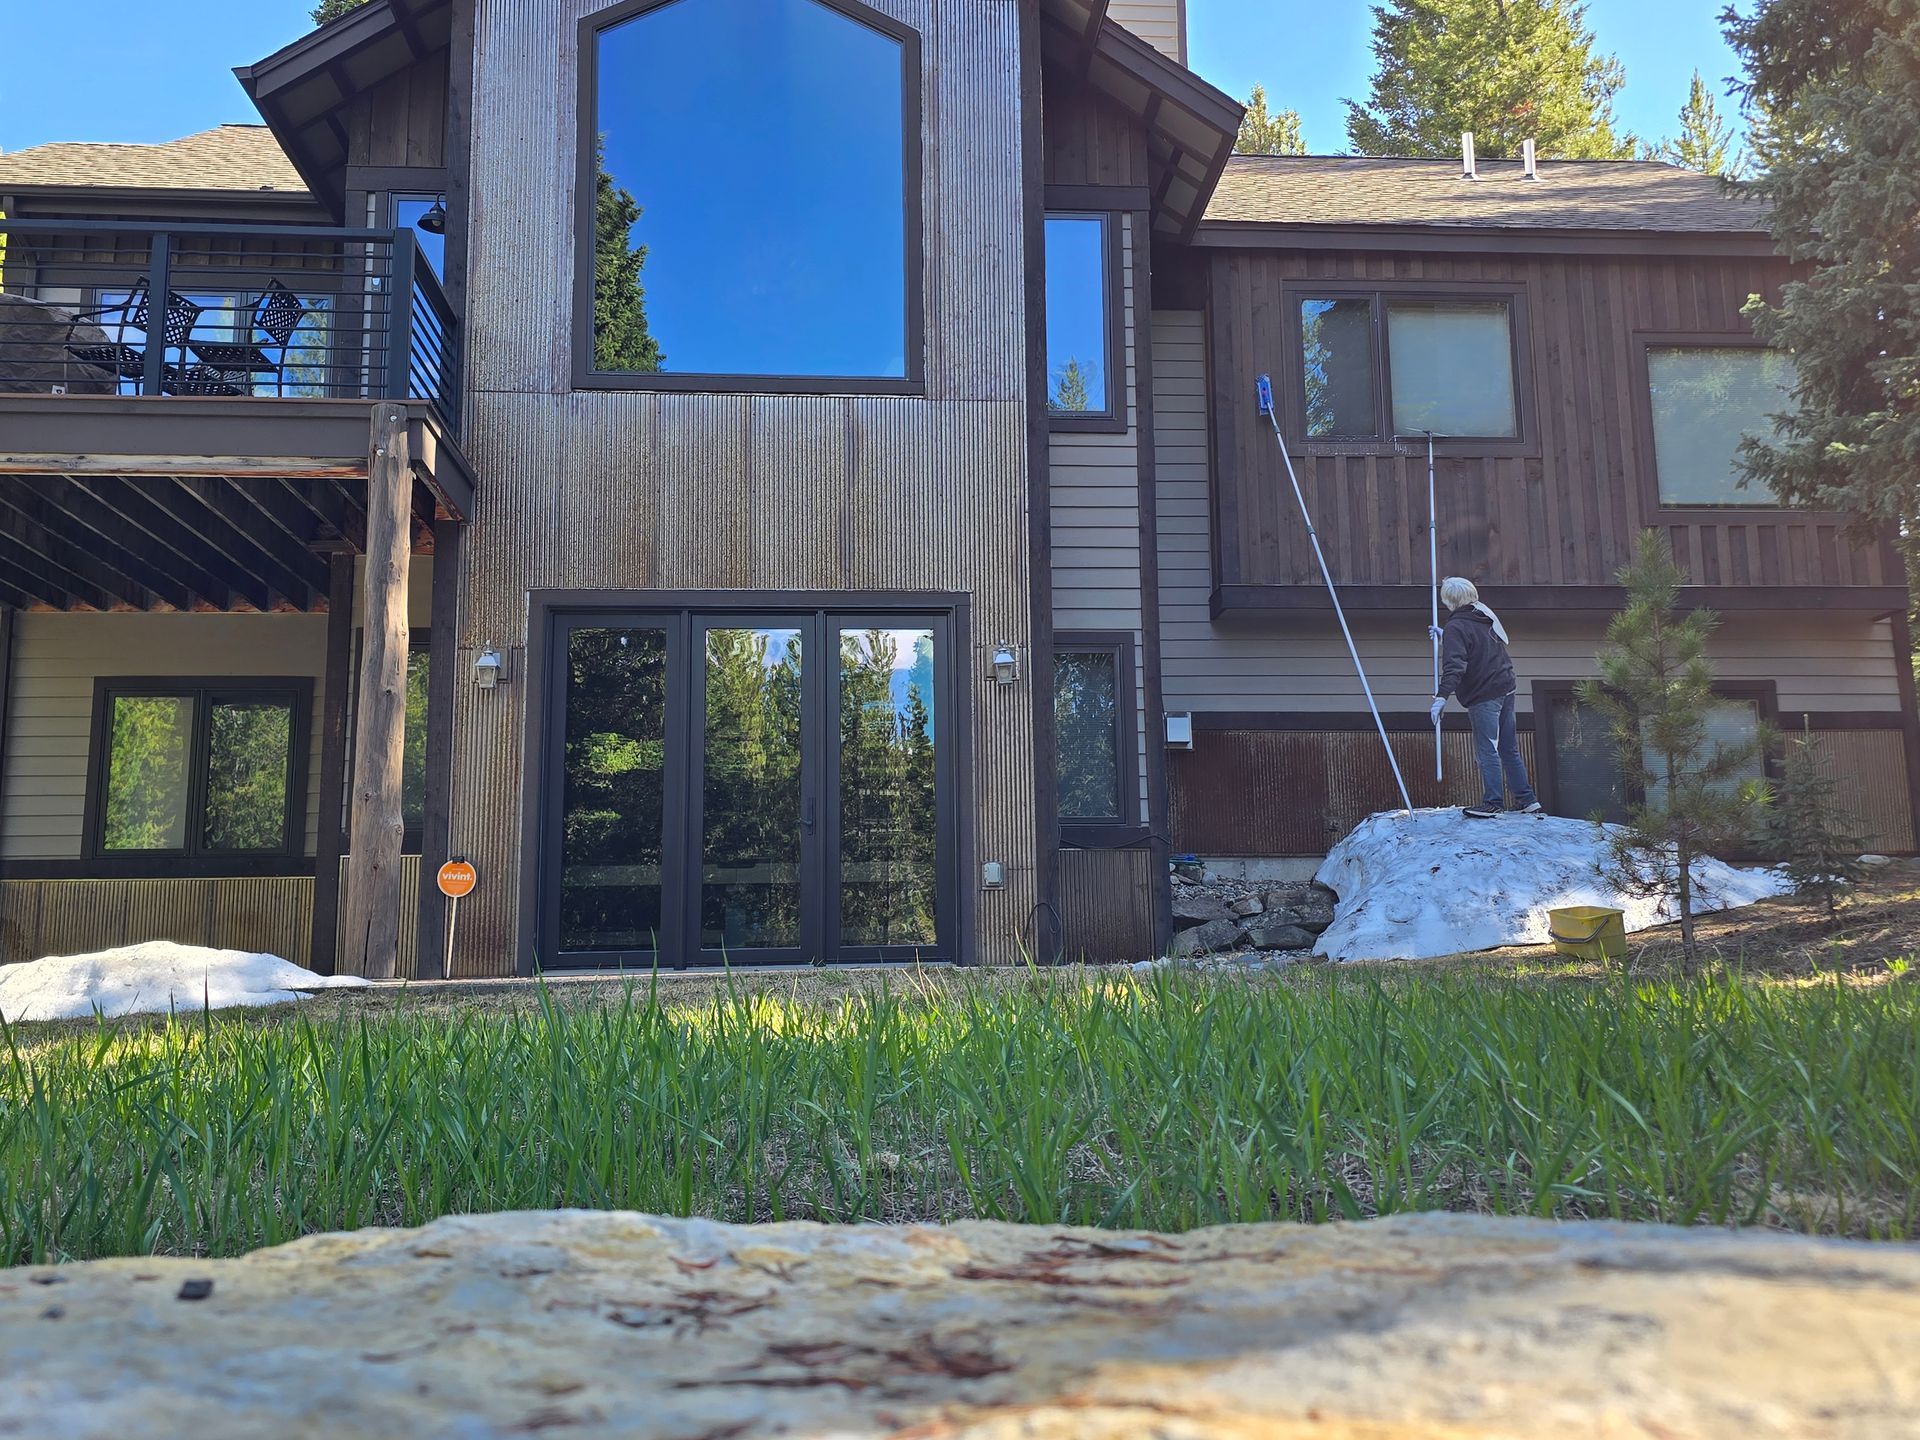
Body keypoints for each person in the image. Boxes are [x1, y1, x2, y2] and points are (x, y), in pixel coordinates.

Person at [1430, 577, 1542, 820]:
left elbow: (1455, 667)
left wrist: (1441, 697)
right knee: (1508, 748)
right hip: (1506, 686)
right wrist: (1445, 636)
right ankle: (1527, 800)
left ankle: (1493, 803)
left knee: (1487, 750)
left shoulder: (1457, 626)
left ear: (1449, 600)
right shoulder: (1483, 616)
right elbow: (1477, 645)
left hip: (1485, 695)